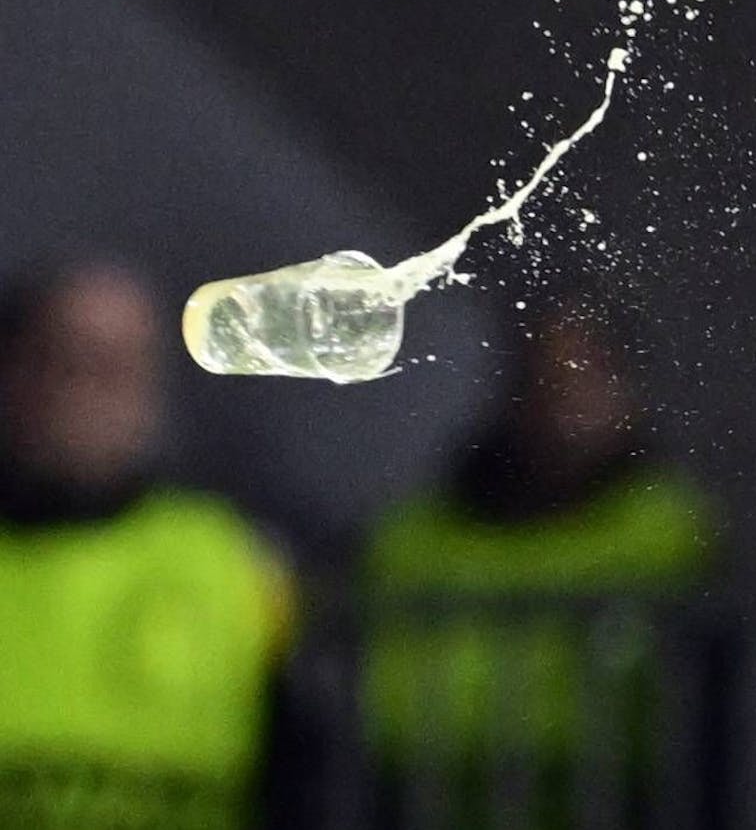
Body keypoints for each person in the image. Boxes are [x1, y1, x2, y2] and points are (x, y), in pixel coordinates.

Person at [361, 308, 714, 830]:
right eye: (550, 376)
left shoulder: (659, 520)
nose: (569, 400)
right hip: (439, 797)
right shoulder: (425, 527)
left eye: (589, 373)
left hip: (595, 797)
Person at [0, 264, 292, 829]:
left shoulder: (237, 564)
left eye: (123, 369)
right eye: (72, 363)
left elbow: (311, 780)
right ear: (13, 374)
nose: (95, 397)